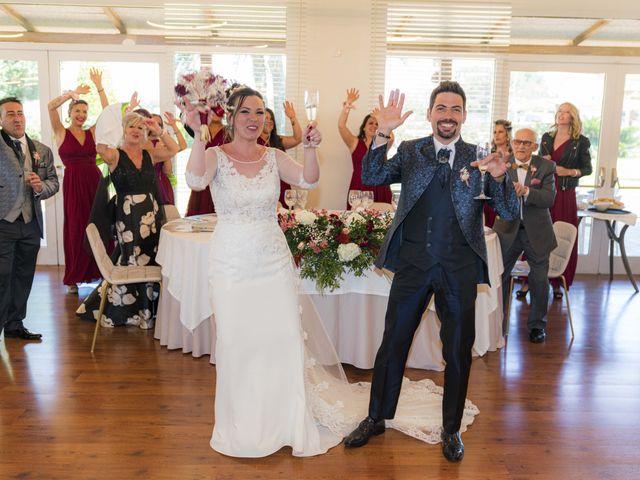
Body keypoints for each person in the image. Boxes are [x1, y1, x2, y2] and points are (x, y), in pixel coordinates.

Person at [343, 82, 519, 462]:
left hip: (458, 268)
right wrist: (383, 132)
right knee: (393, 345)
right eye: (441, 108)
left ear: (464, 116)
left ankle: (451, 428)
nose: (448, 115)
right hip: (413, 264)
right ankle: (376, 418)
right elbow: (370, 176)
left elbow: (508, 213)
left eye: (456, 109)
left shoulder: (480, 156)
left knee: (457, 352)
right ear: (430, 114)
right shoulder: (410, 150)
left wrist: (503, 178)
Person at [76, 112, 167, 329]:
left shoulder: (149, 153)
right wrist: (112, 123)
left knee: (152, 258)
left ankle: (151, 310)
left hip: (151, 216)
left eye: (140, 128)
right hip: (127, 217)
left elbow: (177, 148)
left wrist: (160, 129)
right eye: (130, 127)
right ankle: (132, 311)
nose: (136, 131)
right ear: (123, 131)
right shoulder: (115, 155)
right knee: (132, 259)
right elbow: (99, 147)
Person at [0, 97, 60, 340]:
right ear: (2, 119)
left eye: (20, 113)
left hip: (31, 223)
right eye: (11, 114)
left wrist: (39, 187)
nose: (17, 118)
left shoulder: (41, 150)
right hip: (3, 222)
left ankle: (14, 325)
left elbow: (54, 183)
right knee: (2, 276)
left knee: (24, 276)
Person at [493, 128, 557, 344]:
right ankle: (496, 322)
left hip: (537, 232)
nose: (521, 146)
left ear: (535, 146)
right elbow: (491, 195)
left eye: (526, 143)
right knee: (498, 276)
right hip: (506, 230)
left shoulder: (547, 166)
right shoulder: (502, 163)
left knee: (539, 279)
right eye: (518, 141)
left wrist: (528, 191)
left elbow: (549, 198)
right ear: (512, 142)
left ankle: (537, 325)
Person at [47, 68, 108, 294]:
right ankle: (74, 277)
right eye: (77, 110)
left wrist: (99, 86)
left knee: (99, 226)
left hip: (95, 182)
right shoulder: (61, 132)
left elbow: (108, 111)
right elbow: (50, 107)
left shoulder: (92, 131)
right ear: (70, 112)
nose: (81, 114)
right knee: (75, 228)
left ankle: (103, 272)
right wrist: (71, 94)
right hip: (73, 185)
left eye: (84, 111)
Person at [539, 102, 592, 299]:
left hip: (565, 194)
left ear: (572, 117)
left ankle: (557, 281)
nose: (561, 115)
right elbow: (538, 164)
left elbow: (587, 169)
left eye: (566, 112)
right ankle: (533, 279)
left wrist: (568, 171)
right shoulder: (546, 138)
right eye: (559, 111)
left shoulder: (581, 141)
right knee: (540, 234)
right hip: (545, 191)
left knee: (561, 236)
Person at [339, 88, 393, 208]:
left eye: (377, 123)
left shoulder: (383, 143)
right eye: (370, 123)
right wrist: (348, 104)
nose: (374, 126)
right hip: (359, 187)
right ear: (363, 127)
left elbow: (391, 136)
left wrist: (383, 120)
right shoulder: (354, 143)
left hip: (381, 187)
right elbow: (341, 126)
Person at [258, 102, 302, 205]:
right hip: (264, 190)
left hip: (282, 188)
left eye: (271, 119)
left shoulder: (277, 140)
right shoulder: (253, 143)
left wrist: (292, 117)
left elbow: (298, 138)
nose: (269, 121)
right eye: (266, 118)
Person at [184, 111, 226, 216]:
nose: (217, 112)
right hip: (203, 180)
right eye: (214, 108)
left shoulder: (231, 132)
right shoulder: (200, 129)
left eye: (219, 108)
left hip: (223, 182)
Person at [147, 112, 184, 205]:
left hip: (162, 184)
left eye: (159, 124)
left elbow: (183, 146)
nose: (155, 126)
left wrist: (174, 125)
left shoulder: (164, 143)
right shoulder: (140, 143)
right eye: (153, 123)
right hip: (146, 185)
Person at [484, 119, 513, 228]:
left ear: (508, 135)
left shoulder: (514, 157)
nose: (497, 135)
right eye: (495, 132)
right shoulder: (487, 155)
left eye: (500, 132)